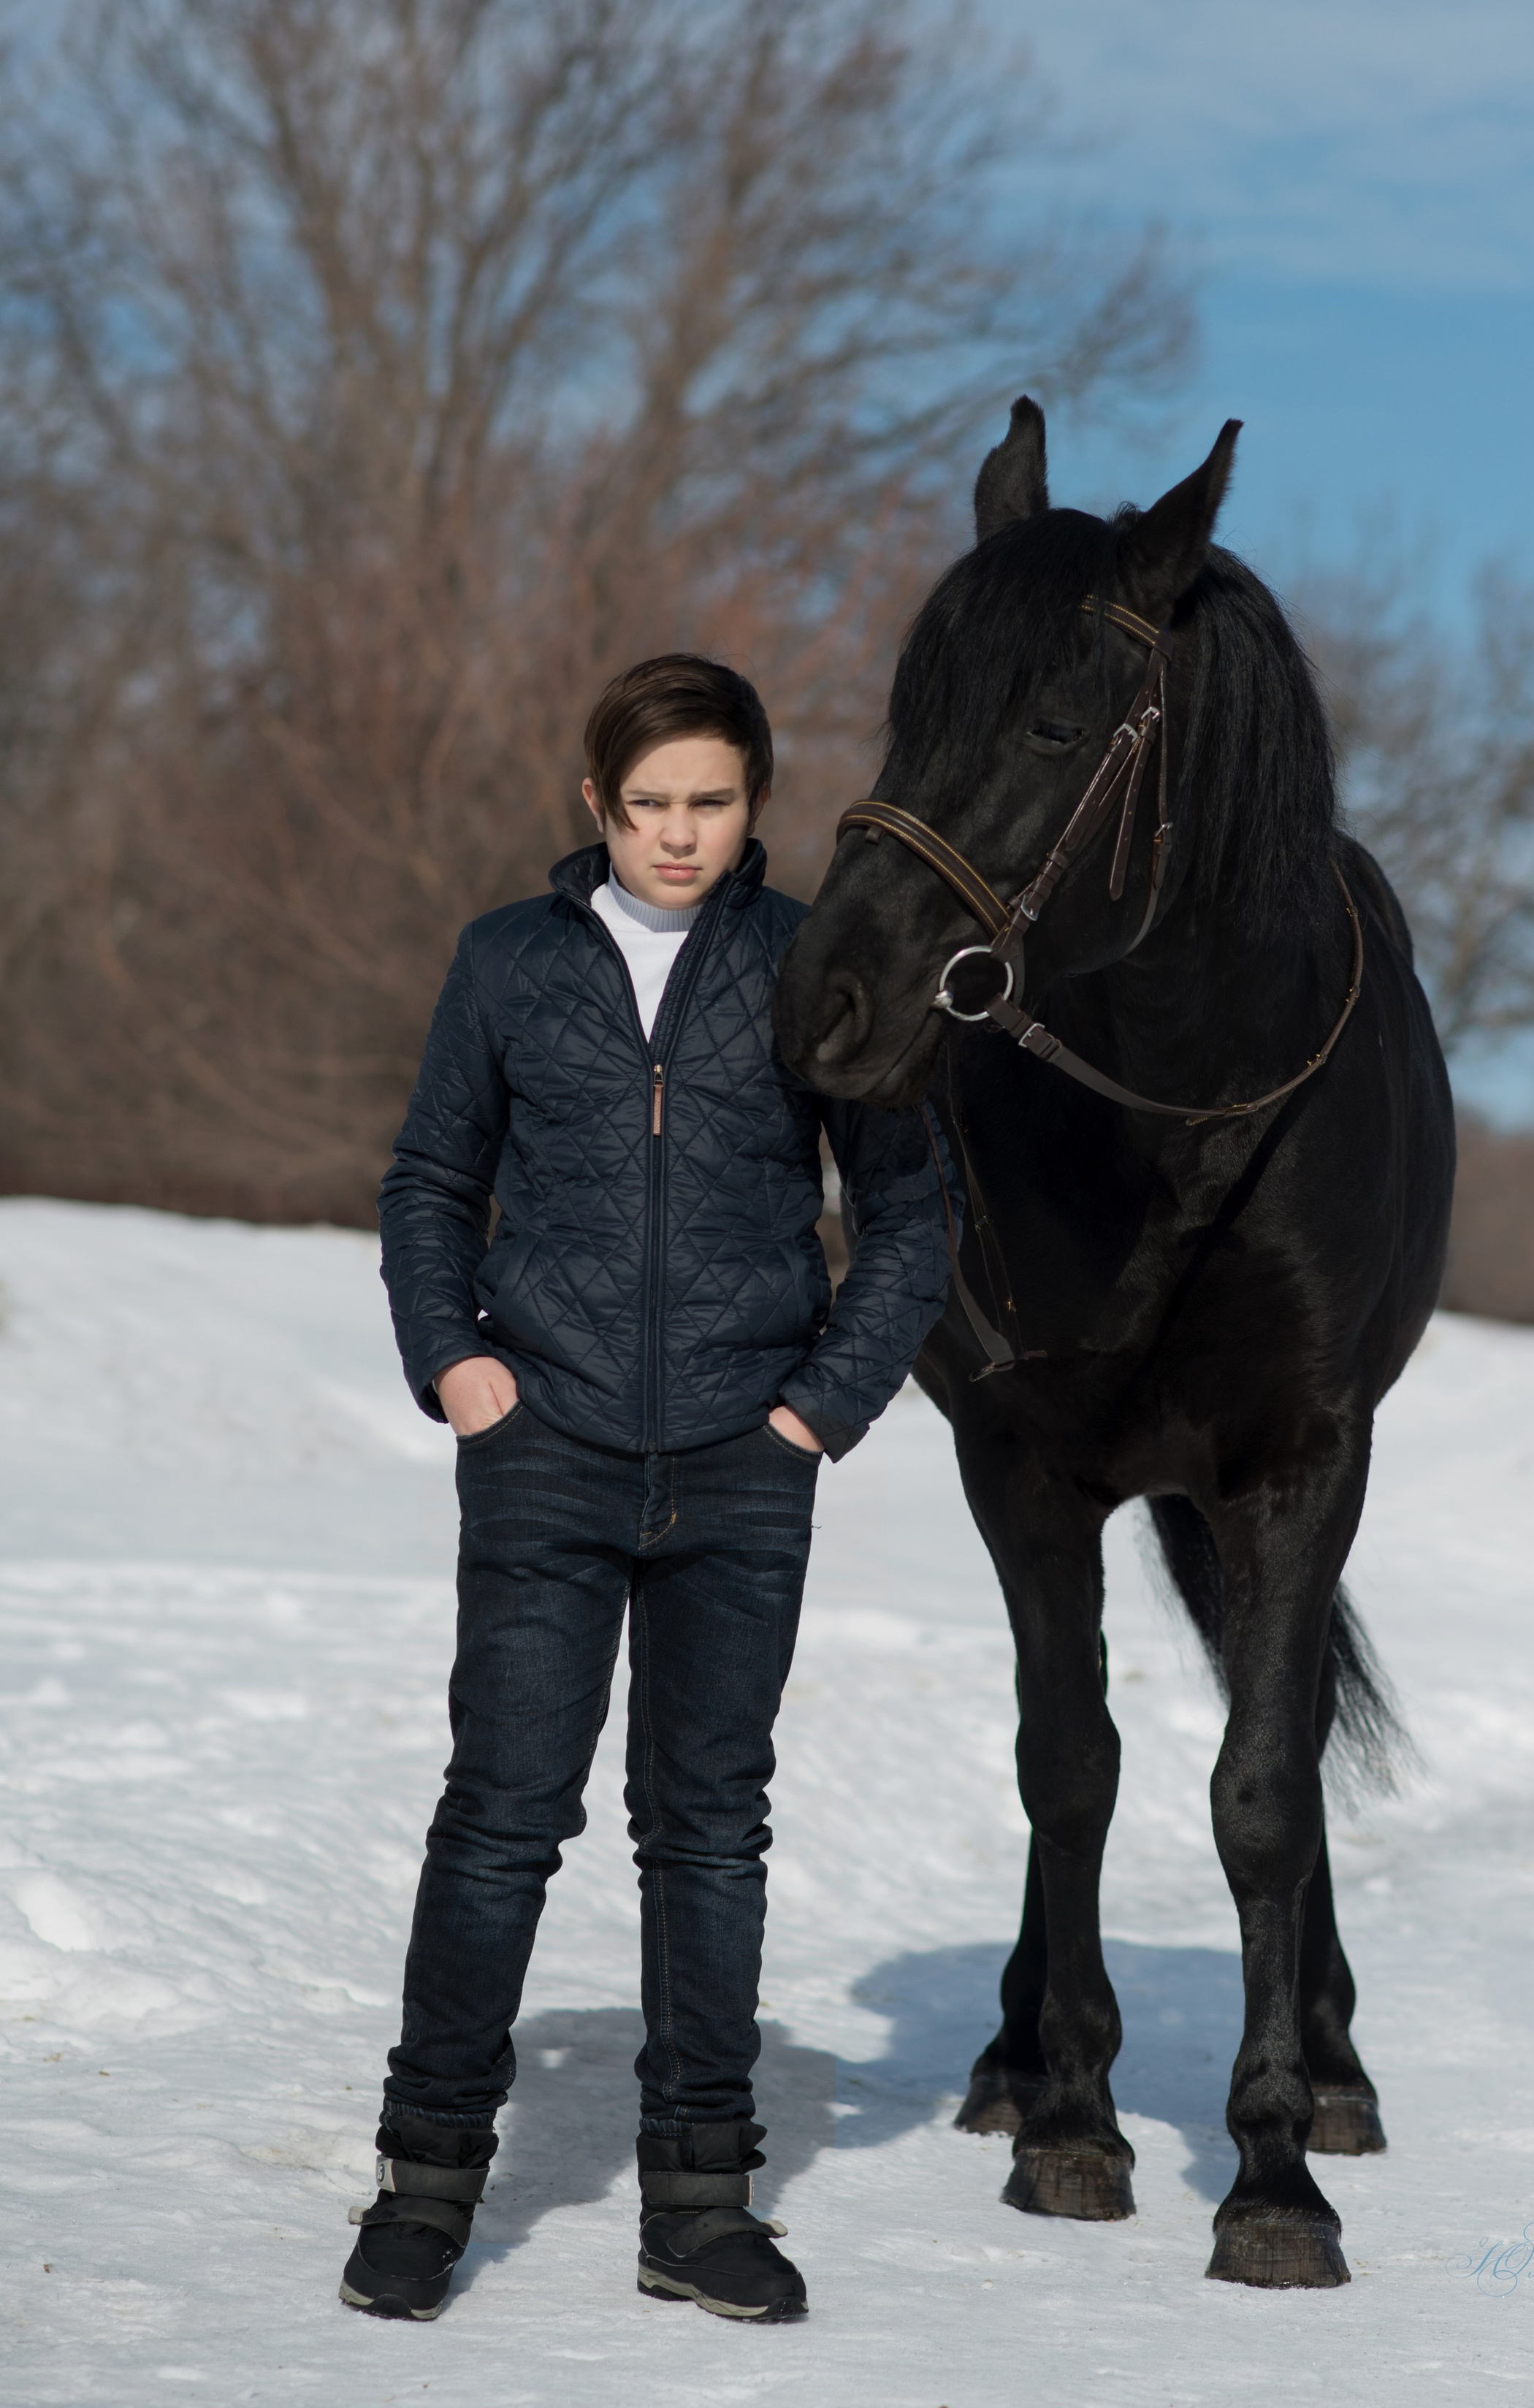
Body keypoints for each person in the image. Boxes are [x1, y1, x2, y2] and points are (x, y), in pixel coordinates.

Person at [342, 653, 950, 2326]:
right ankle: (425, 2177)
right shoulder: (509, 964)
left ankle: (698, 2203)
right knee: (500, 1819)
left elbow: (908, 1219)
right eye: (649, 805)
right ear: (594, 807)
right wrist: (455, 1360)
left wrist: (817, 1413)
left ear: (755, 800)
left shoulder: (818, 963)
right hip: (544, 1452)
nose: (680, 837)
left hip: (743, 1472)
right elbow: (427, 1180)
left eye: (713, 803)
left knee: (706, 1836)